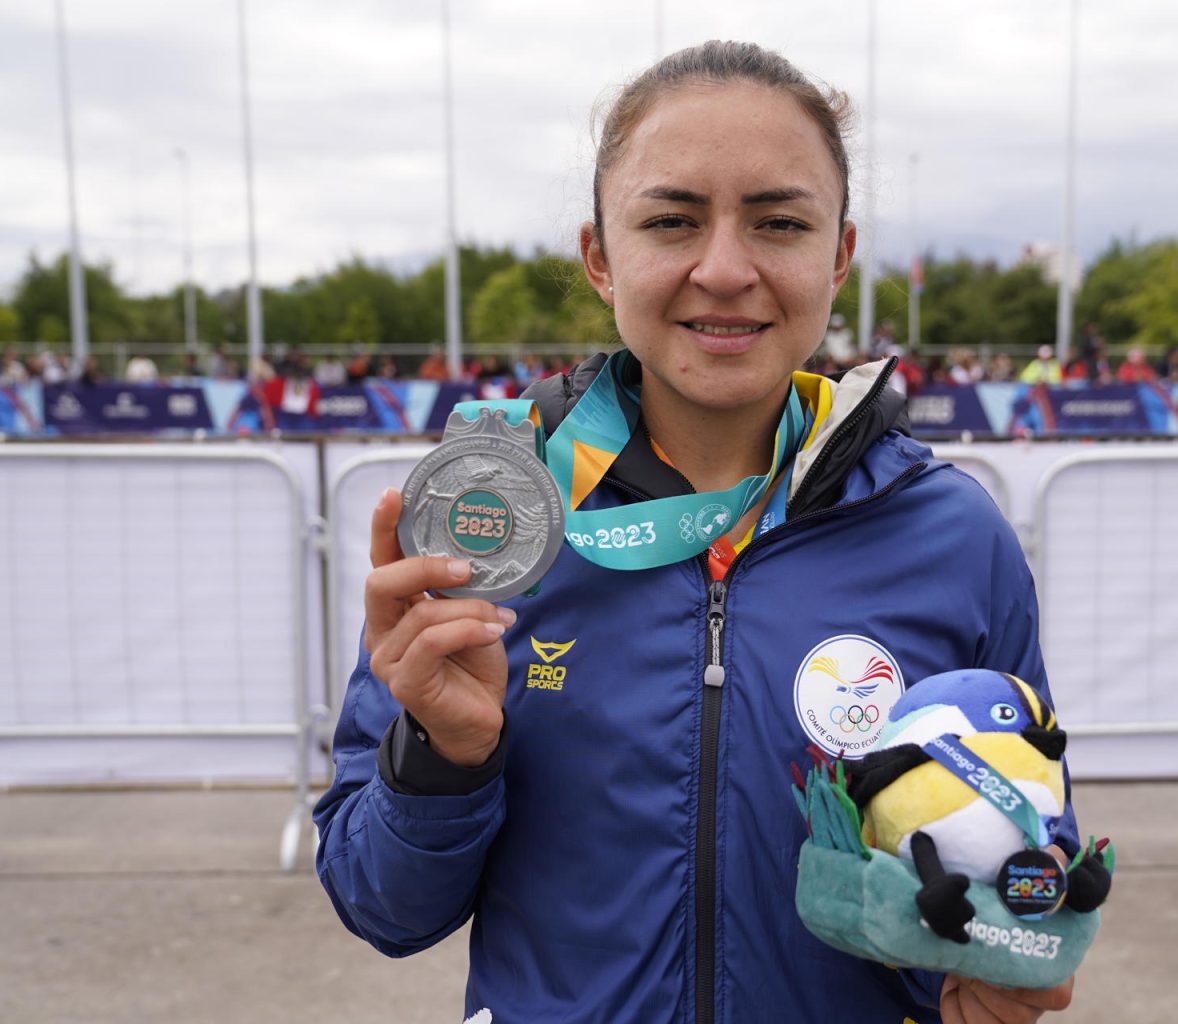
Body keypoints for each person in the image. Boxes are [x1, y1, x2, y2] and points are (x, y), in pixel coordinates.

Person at [314, 41, 1082, 1024]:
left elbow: (1029, 854)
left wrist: (1018, 952)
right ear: (600, 255)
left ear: (838, 254)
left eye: (780, 222)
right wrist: (441, 755)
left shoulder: (951, 534)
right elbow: (379, 904)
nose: (724, 269)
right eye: (671, 220)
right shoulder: (493, 522)